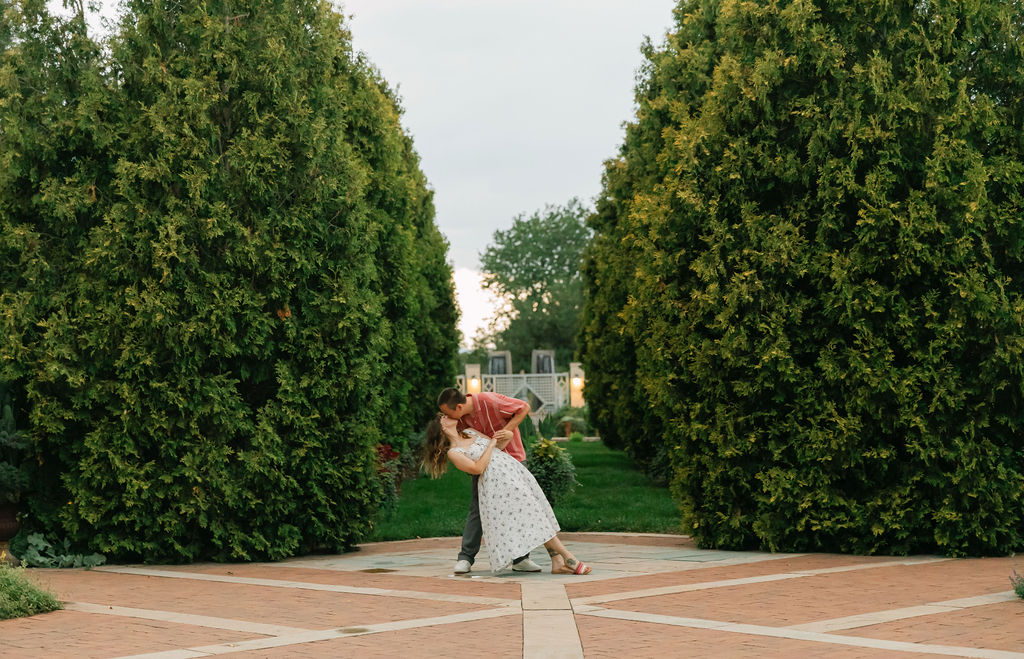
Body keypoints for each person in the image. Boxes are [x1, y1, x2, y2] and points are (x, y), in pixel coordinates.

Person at [422, 413, 592, 575]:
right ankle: (569, 558)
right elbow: (477, 468)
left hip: (513, 472)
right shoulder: (454, 451)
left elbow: (498, 448)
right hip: (496, 484)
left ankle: (558, 562)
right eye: (443, 417)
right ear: (442, 427)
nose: (448, 416)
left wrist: (506, 439)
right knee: (534, 515)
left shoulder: (469, 432)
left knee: (536, 514)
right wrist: (490, 445)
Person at [435, 387, 541, 574]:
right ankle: (465, 558)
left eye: (447, 413)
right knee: (478, 506)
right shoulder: (460, 419)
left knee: (517, 508)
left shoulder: (489, 401)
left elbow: (523, 407)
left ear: (459, 407)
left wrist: (504, 432)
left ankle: (521, 558)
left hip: (512, 458)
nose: (445, 416)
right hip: (484, 462)